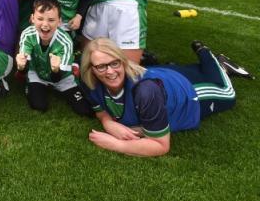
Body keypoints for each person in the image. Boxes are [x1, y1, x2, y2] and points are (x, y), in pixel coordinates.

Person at [81, 38, 243, 157]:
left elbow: (160, 145)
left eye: (114, 63)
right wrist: (108, 123)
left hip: (187, 94)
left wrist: (116, 144)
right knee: (191, 71)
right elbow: (101, 110)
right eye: (101, 66)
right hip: (164, 76)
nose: (109, 71)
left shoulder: (146, 91)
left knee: (228, 94)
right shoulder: (89, 82)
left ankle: (211, 56)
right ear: (91, 69)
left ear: (123, 62)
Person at [15, 0, 90, 115]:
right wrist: (20, 67)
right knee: (39, 105)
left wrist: (55, 70)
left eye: (51, 20)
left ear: (59, 21)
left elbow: (57, 78)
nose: (45, 24)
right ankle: (34, 85)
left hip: (62, 77)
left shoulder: (65, 41)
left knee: (85, 110)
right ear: (32, 19)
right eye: (40, 19)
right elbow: (24, 69)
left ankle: (74, 65)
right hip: (38, 73)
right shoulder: (27, 34)